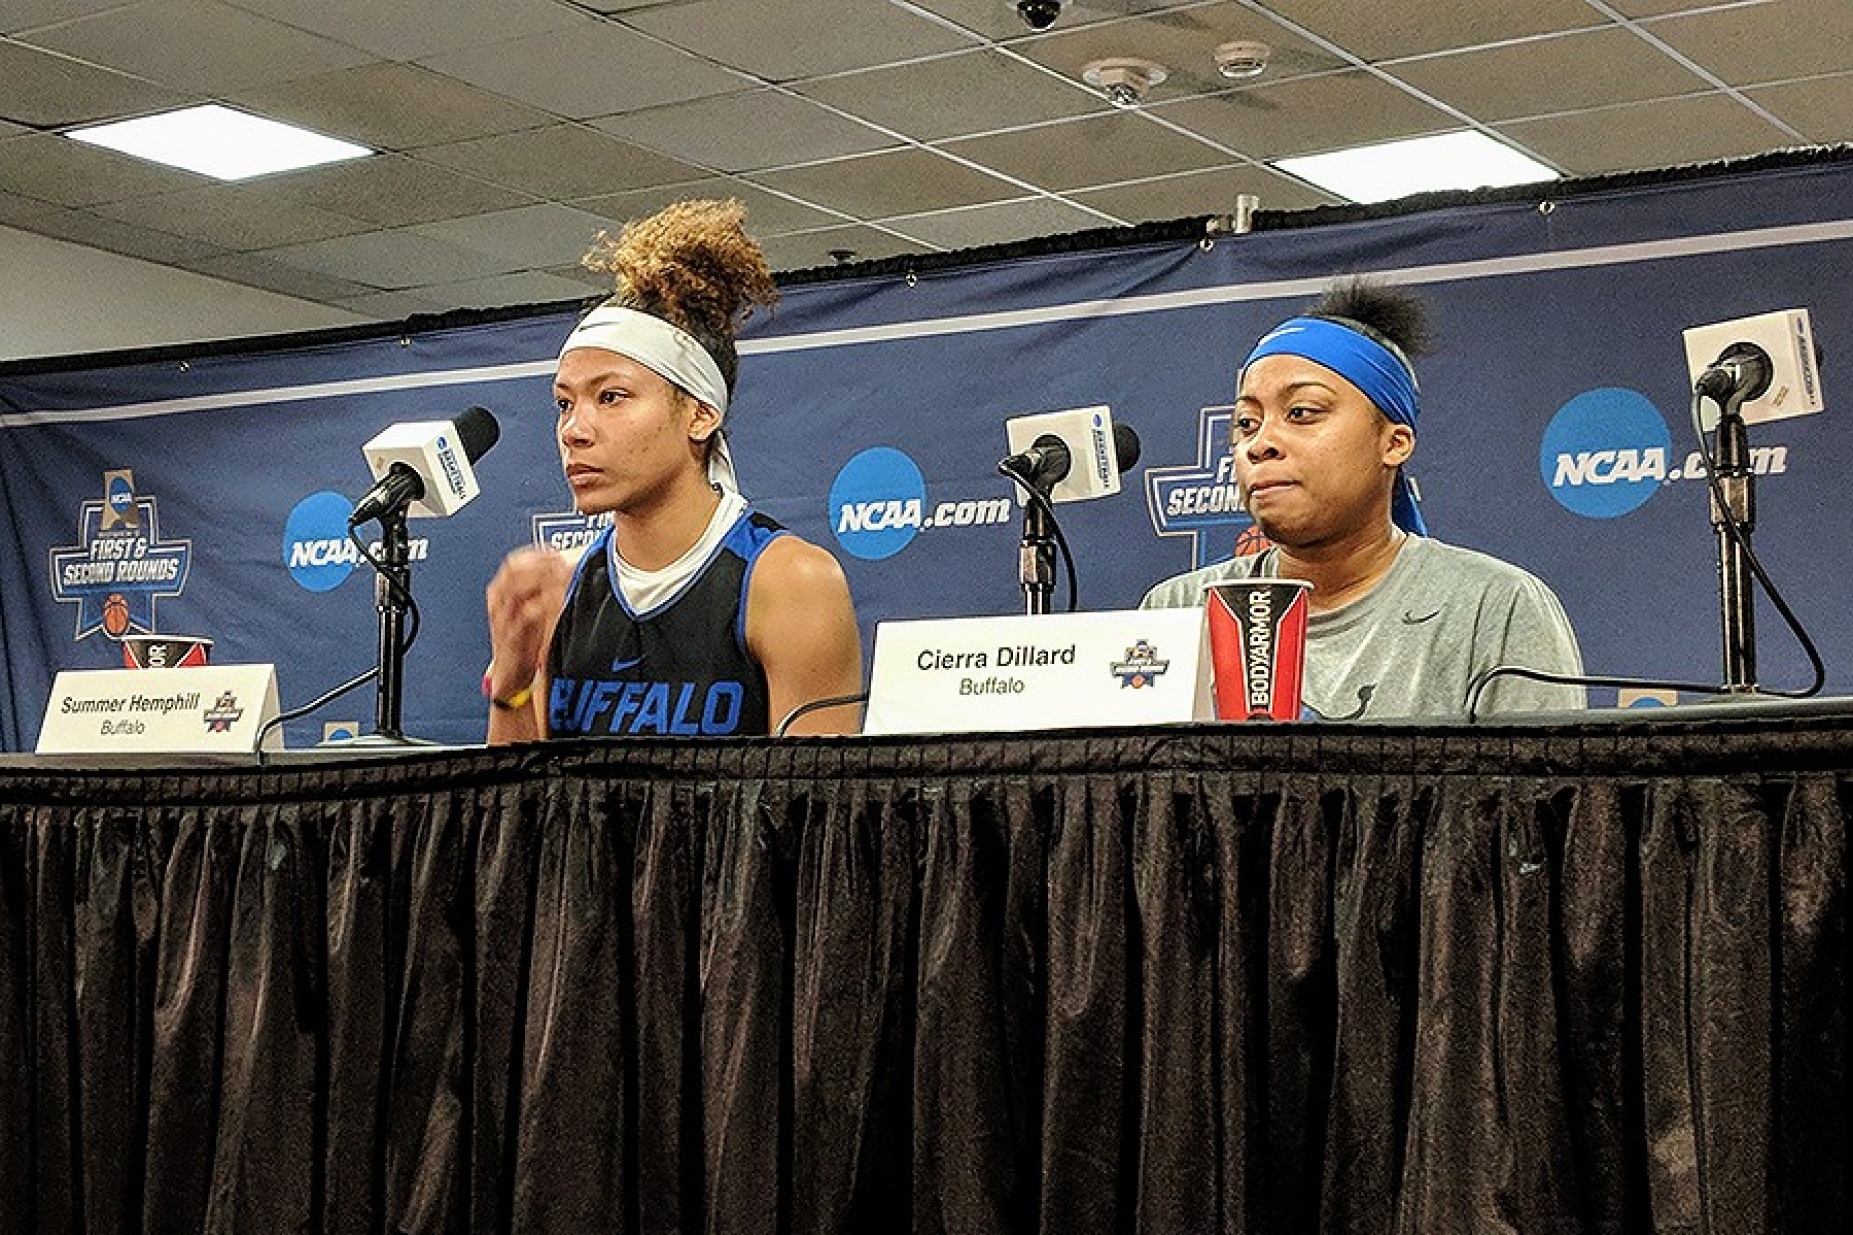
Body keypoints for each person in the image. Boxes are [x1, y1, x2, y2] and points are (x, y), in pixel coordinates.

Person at [484, 199, 863, 741]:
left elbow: (816, 816)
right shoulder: (563, 588)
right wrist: (512, 682)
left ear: (701, 414)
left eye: (611, 397)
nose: (575, 429)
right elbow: (520, 814)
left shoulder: (787, 581)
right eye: (564, 403)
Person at [1141, 278, 1584, 720]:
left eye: (1301, 413)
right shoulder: (1179, 610)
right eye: (1246, 423)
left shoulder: (1494, 608)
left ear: (1393, 443)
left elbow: (1543, 786)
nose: (1261, 444)